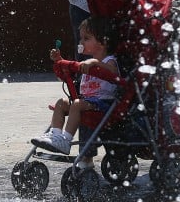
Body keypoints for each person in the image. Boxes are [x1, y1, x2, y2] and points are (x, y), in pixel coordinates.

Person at [31, 16, 119, 168]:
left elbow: (112, 72)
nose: (81, 42)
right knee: (62, 103)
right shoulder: (85, 62)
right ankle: (56, 136)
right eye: (81, 38)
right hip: (86, 101)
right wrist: (59, 60)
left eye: (86, 38)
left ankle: (66, 140)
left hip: (103, 103)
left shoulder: (109, 60)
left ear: (102, 42)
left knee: (76, 104)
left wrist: (94, 63)